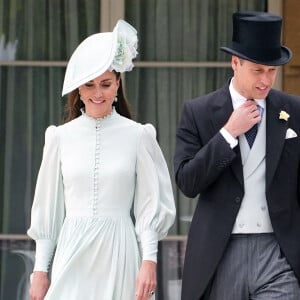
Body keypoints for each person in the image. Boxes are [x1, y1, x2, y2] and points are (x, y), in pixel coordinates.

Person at [27, 20, 176, 300]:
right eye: (90, 85)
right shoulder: (59, 137)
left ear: (118, 84)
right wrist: (40, 270)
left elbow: (150, 203)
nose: (98, 94)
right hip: (71, 251)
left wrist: (149, 261)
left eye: (106, 84)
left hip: (120, 252)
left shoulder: (139, 135)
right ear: (78, 90)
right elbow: (48, 208)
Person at [174, 11, 300, 300]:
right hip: (222, 252)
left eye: (272, 70)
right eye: (258, 70)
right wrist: (228, 133)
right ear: (235, 63)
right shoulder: (199, 112)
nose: (266, 80)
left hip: (279, 253)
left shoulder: (294, 111)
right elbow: (187, 182)